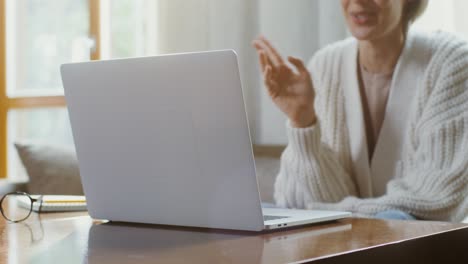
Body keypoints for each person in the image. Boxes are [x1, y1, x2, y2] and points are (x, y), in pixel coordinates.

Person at [253, 0, 468, 221]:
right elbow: (304, 199)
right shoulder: (325, 65)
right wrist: (303, 121)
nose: (358, 2)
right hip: (344, 242)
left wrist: (332, 211)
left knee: (396, 218)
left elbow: (437, 200)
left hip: (420, 245)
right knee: (256, 214)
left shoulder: (452, 63)